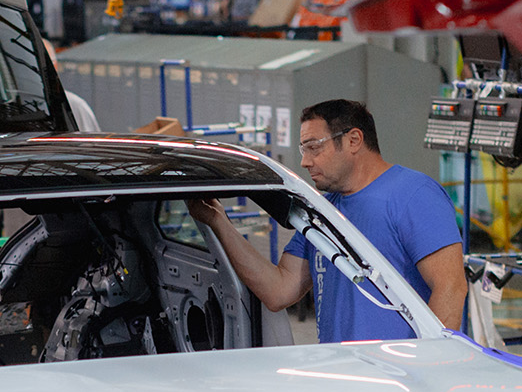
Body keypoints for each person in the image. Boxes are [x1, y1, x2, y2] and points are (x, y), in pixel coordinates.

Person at [189, 99, 465, 341]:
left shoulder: (413, 195)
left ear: (353, 140)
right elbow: (279, 290)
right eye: (303, 150)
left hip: (398, 380)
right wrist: (217, 220)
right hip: (340, 374)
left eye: (313, 147)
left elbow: (451, 287)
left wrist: (426, 368)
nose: (305, 162)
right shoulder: (322, 212)